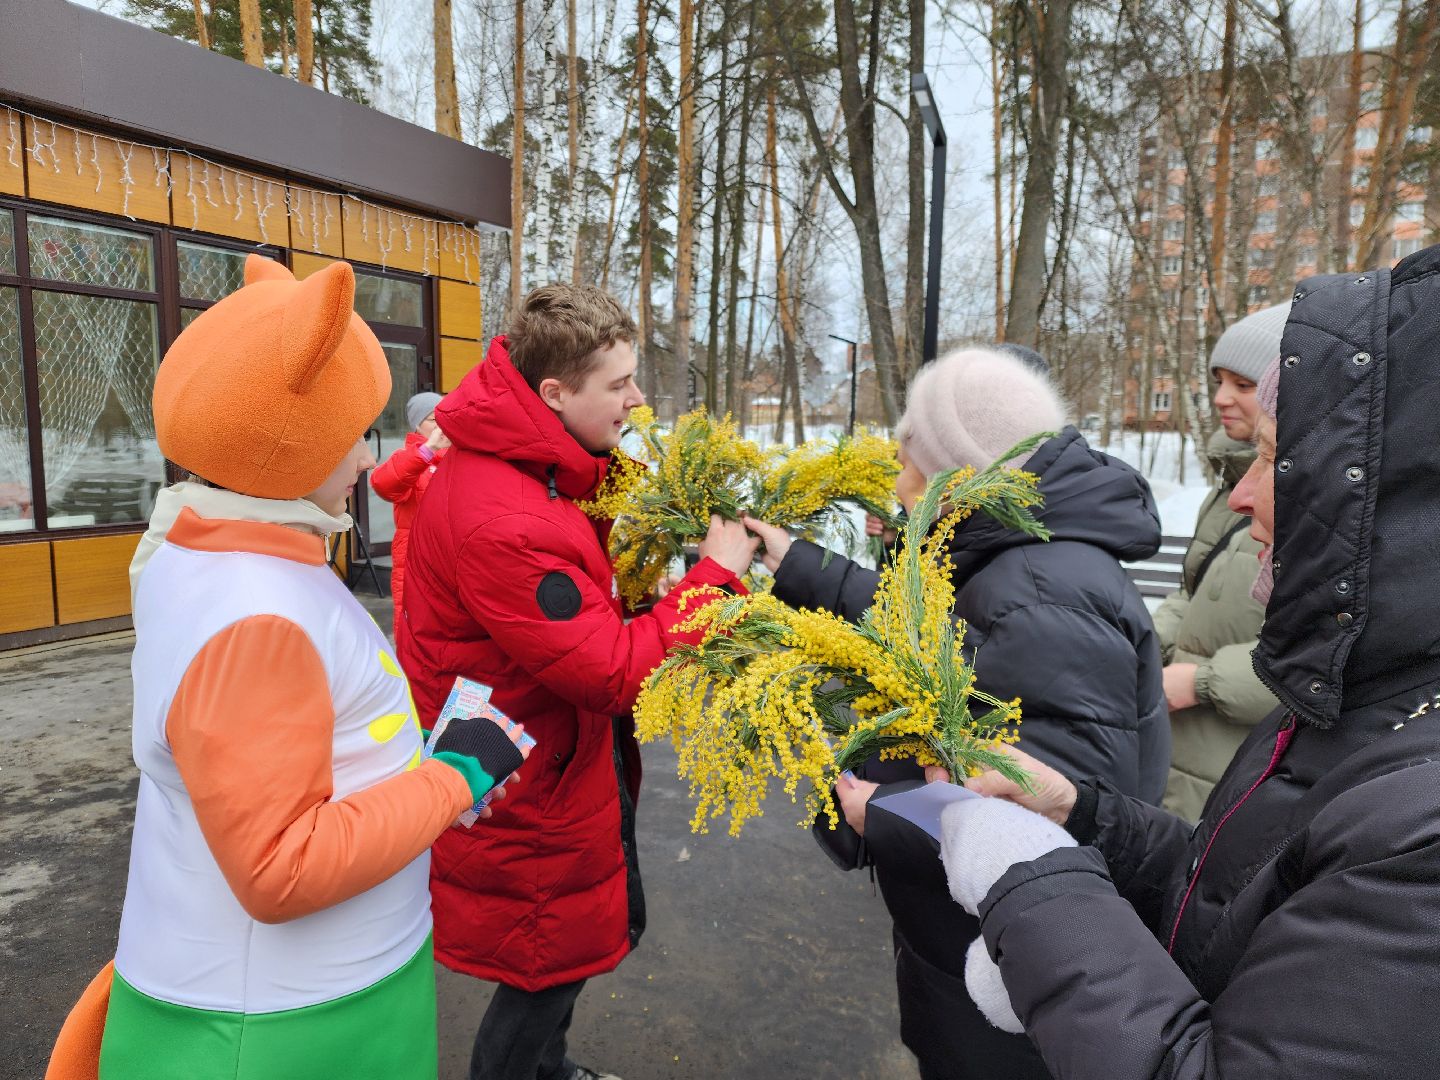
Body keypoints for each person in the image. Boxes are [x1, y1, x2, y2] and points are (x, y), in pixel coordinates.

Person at [939, 256, 1440, 1077]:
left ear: (1390, 503)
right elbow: (1233, 899)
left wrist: (1032, 885)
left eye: (1274, 459)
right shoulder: (1352, 698)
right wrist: (1085, 817)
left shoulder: (1420, 825)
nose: (1243, 498)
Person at [46, 256, 530, 1080]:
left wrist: (426, 781)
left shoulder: (223, 551)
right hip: (283, 1026)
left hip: (314, 994)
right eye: (355, 433)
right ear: (287, 437)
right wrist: (453, 778)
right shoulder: (254, 615)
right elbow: (281, 868)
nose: (366, 460)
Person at [743, 345, 1170, 1080]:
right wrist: (800, 565)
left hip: (1006, 983)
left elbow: (1049, 822)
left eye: (909, 466)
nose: (896, 488)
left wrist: (881, 813)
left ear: (959, 474)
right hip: (975, 949)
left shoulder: (1040, 595)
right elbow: (927, 629)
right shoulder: (1010, 560)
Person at [397, 284, 759, 1080]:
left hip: (547, 751)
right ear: (555, 392)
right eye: (619, 384)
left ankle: (549, 1071)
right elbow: (612, 671)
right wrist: (715, 580)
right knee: (545, 965)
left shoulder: (534, 466)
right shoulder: (506, 518)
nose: (638, 399)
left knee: (564, 948)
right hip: (529, 772)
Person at [1154, 303, 1285, 820]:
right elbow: (1195, 589)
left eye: (1243, 385)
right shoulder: (1234, 481)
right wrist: (1147, 641)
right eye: (1219, 381)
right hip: (1180, 748)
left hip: (1237, 759)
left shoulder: (1293, 493)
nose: (1220, 398)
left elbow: (1321, 647)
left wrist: (1201, 681)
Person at [372, 390, 449, 639]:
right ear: (417, 425)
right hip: (415, 560)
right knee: (415, 632)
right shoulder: (408, 459)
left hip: (452, 559)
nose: (440, 425)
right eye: (433, 419)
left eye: (444, 417)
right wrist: (428, 449)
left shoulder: (459, 457)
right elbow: (383, 483)